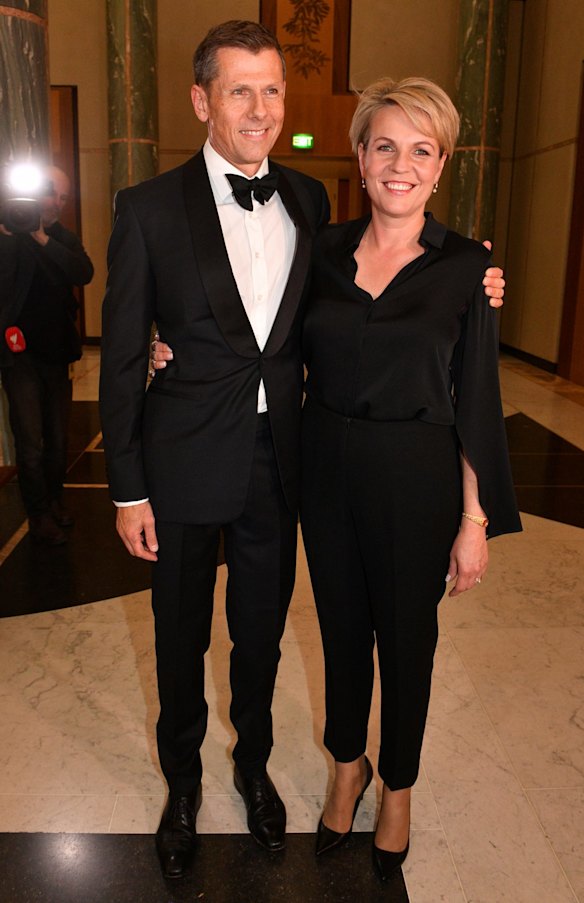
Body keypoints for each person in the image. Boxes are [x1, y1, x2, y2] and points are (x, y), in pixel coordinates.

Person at [107, 21, 505, 881]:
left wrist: (478, 282)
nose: (260, 108)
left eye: (273, 89)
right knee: (179, 637)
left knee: (260, 634)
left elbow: (388, 313)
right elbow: (119, 347)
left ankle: (253, 768)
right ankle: (182, 783)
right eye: (240, 89)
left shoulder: (309, 205)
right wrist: (127, 484)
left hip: (287, 462)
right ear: (201, 99)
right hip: (181, 460)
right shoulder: (145, 208)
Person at [298, 77, 522, 883]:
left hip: (417, 474)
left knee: (408, 639)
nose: (401, 164)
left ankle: (398, 786)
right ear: (360, 159)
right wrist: (171, 350)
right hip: (323, 467)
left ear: (441, 166)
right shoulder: (320, 251)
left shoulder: (468, 268)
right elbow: (266, 337)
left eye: (420, 150)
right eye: (384, 145)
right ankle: (346, 765)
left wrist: (474, 519)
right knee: (339, 629)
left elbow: (480, 400)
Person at [0, 165, 93, 545]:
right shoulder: (5, 235)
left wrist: (41, 237)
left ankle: (53, 501)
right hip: (17, 355)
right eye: (52, 192)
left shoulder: (60, 237)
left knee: (56, 439)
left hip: (56, 352)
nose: (56, 201)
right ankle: (38, 514)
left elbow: (83, 273)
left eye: (64, 197)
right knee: (30, 440)